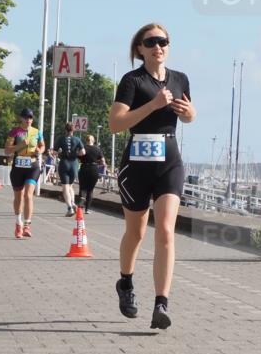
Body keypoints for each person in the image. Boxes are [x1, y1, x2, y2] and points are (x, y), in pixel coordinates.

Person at [109, 23, 194, 330]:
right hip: (137, 164)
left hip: (169, 161)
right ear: (140, 48)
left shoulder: (180, 78)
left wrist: (187, 112)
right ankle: (126, 283)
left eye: (164, 41)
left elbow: (190, 114)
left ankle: (161, 303)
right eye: (152, 41)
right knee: (137, 233)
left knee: (166, 232)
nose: (159, 46)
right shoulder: (132, 81)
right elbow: (116, 124)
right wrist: (153, 105)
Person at [5, 107, 45, 239]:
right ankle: (18, 223)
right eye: (26, 117)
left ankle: (27, 225)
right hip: (18, 166)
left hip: (32, 166)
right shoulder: (14, 132)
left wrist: (40, 150)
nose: (29, 120)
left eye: (31, 117)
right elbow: (7, 151)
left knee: (28, 195)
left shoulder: (36, 132)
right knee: (18, 197)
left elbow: (42, 145)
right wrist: (20, 145)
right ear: (21, 118)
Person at [53, 122, 85, 216]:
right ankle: (73, 203)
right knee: (70, 186)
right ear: (73, 130)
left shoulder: (60, 139)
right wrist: (75, 154)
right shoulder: (77, 139)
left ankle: (69, 208)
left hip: (64, 163)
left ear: (65, 130)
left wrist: (59, 152)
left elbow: (54, 152)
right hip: (74, 164)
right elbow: (83, 152)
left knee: (65, 187)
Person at [78, 135, 106, 214]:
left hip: (84, 168)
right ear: (93, 141)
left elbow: (78, 156)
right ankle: (87, 209)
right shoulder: (97, 149)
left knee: (83, 188)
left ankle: (81, 203)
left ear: (86, 140)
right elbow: (103, 161)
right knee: (90, 190)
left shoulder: (83, 148)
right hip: (94, 169)